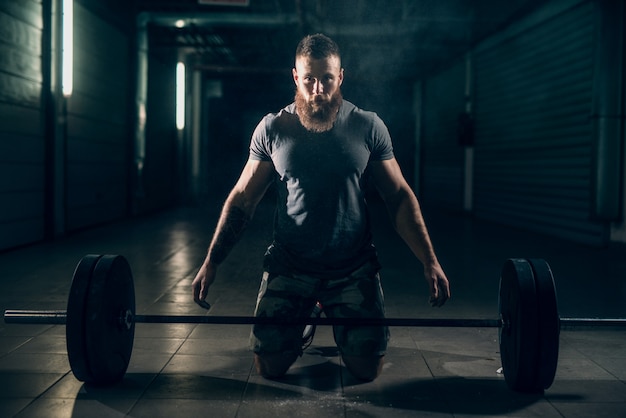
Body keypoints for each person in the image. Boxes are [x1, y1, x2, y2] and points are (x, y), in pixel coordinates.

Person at [192, 33, 450, 381]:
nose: (318, 88)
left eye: (326, 78)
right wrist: (211, 262)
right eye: (309, 78)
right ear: (296, 77)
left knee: (366, 370)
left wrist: (429, 261)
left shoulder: (367, 126)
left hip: (353, 266)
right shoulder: (273, 129)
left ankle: (335, 318)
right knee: (269, 367)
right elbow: (243, 199)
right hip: (291, 264)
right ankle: (305, 320)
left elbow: (398, 196)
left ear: (340, 76)